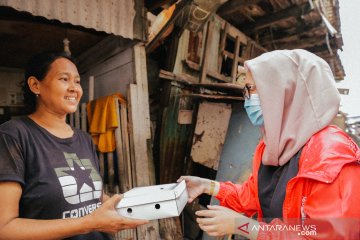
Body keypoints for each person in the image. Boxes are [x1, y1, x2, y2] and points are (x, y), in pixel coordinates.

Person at [179, 49, 360, 239]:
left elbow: (326, 233)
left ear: (287, 92)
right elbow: (253, 195)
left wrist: (245, 227)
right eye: (246, 90)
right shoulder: (273, 146)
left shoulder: (333, 157)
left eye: (253, 89)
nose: (248, 98)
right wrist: (208, 186)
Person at [0, 52, 148, 239]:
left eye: (77, 81)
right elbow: (5, 228)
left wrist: (131, 207)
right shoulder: (14, 135)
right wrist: (87, 224)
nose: (74, 88)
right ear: (35, 85)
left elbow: (95, 198)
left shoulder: (84, 138)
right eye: (64, 79)